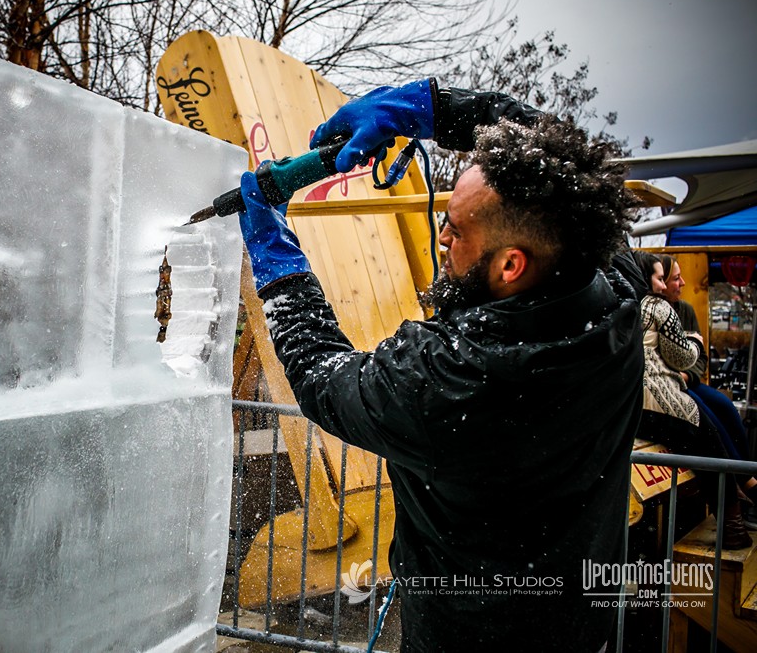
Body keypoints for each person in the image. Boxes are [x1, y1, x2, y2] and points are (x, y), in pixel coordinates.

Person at [236, 78, 643, 652]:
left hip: (472, 636)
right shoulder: (608, 285)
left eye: (458, 229)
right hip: (580, 620)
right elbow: (547, 155)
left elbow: (323, 378)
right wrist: (422, 109)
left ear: (510, 265)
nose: (442, 233)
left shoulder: (453, 381)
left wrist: (277, 263)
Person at [632, 251, 753, 548]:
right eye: (661, 278)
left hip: (632, 404)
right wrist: (696, 345)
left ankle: (744, 492)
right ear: (645, 277)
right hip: (663, 399)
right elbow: (683, 357)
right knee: (712, 448)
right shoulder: (659, 307)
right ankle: (734, 527)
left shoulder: (622, 306)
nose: (663, 285)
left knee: (718, 413)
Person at [659, 254, 751, 462]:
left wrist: (687, 375)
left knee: (725, 406)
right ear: (661, 283)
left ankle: (744, 467)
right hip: (665, 386)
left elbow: (700, 356)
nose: (682, 283)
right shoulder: (649, 311)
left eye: (681, 277)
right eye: (675, 279)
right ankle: (737, 477)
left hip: (686, 381)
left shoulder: (685, 310)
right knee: (705, 414)